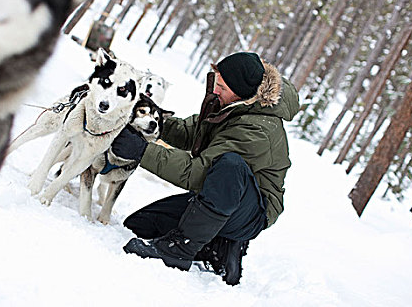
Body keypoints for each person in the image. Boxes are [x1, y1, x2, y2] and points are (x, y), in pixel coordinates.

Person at [111, 52, 300, 285]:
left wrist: (141, 151)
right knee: (141, 224)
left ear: (241, 92)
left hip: (250, 212)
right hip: (223, 199)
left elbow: (196, 173)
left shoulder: (258, 130)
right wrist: (152, 118)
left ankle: (179, 249)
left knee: (230, 166)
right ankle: (219, 246)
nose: (216, 91)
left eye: (221, 87)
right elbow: (191, 132)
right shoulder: (234, 106)